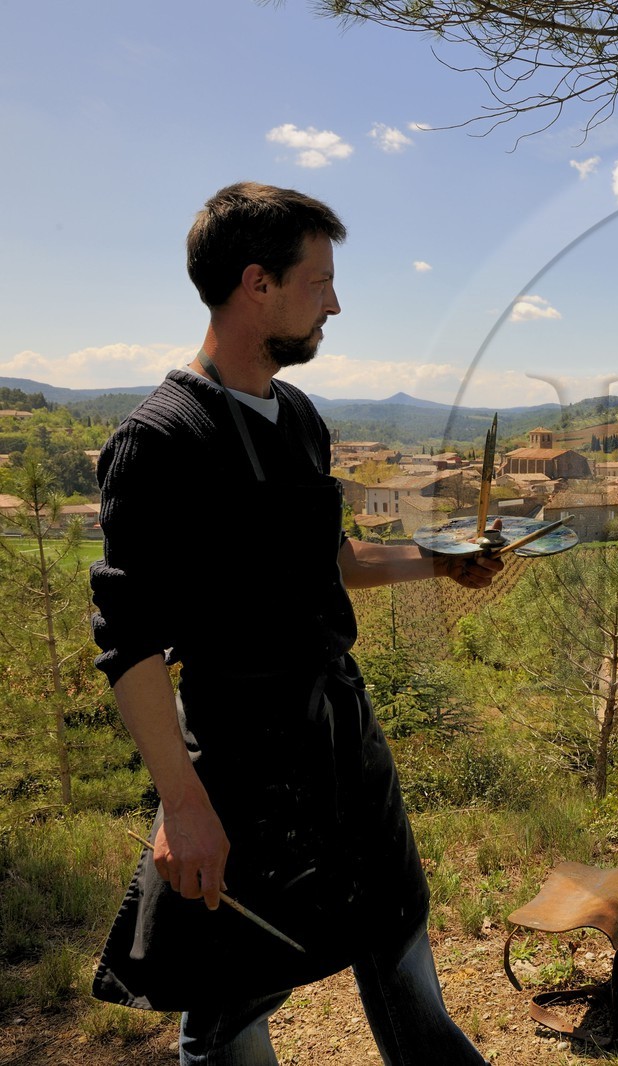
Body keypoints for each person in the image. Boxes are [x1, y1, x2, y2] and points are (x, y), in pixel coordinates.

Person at [89, 182, 499, 1065]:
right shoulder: (162, 440)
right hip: (241, 757)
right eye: (320, 283)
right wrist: (183, 805)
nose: (335, 304)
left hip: (342, 734)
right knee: (233, 998)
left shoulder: (300, 417)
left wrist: (442, 560)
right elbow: (131, 640)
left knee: (396, 933)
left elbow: (335, 561)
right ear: (258, 283)